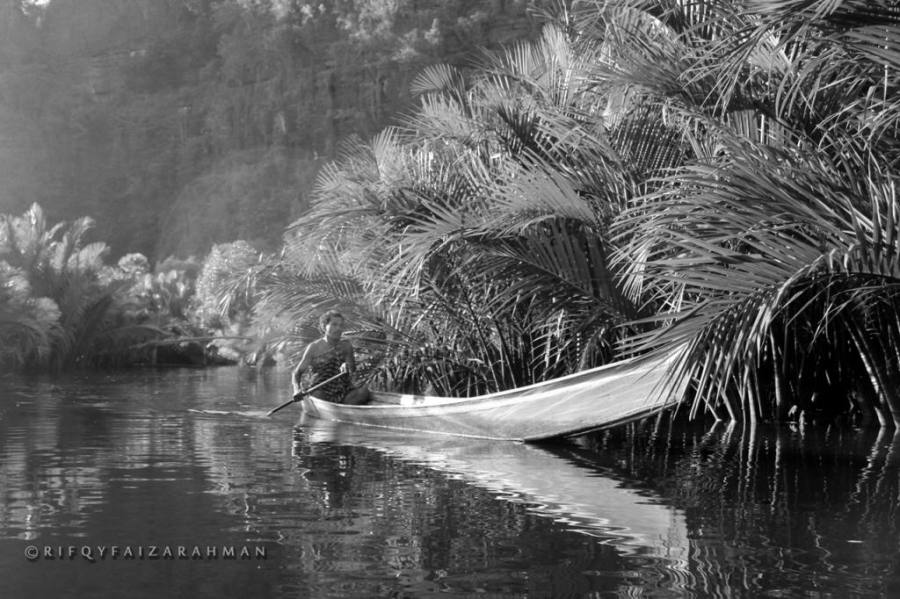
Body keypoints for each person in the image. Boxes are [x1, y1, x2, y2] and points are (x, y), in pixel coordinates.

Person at [291, 310, 370, 405]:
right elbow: (297, 372)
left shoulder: (346, 346)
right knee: (317, 395)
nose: (338, 328)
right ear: (324, 326)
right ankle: (339, 406)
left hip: (343, 389)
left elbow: (352, 369)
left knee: (364, 392)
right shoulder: (314, 347)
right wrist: (297, 390)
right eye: (334, 325)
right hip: (321, 390)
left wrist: (346, 365)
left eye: (341, 325)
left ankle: (343, 405)